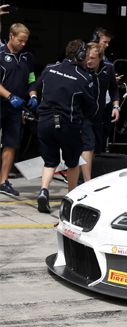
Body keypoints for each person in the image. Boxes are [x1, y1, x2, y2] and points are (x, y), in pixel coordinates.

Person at [32, 40, 98, 212]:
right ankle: (71, 198)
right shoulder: (83, 77)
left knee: (50, 161)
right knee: (72, 162)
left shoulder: (49, 68)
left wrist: (33, 98)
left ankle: (43, 191)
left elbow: (34, 88)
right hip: (67, 125)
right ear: (81, 55)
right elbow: (92, 108)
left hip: (44, 122)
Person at [0, 20, 36, 197]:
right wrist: (9, 96)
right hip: (2, 103)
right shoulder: (0, 54)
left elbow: (31, 78)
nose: (23, 44)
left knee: (11, 144)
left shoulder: (27, 57)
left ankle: (3, 181)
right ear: (11, 36)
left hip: (15, 109)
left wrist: (33, 94)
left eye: (25, 41)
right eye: (20, 40)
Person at [80, 44, 120, 182]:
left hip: (100, 115)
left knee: (96, 148)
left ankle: (82, 173)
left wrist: (116, 107)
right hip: (82, 115)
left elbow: (114, 89)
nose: (88, 61)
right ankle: (87, 181)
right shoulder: (81, 68)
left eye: (92, 58)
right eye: (86, 57)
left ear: (100, 58)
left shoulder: (108, 68)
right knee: (88, 145)